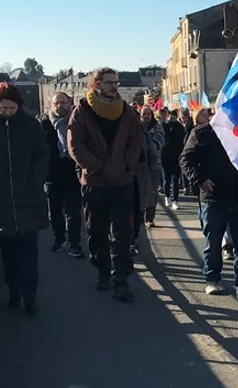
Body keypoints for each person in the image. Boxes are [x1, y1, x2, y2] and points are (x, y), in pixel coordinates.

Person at [0, 82, 49, 315]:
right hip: (0, 201)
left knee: (30, 252)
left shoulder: (31, 125)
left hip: (28, 197)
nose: (7, 112)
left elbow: (42, 154)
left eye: (12, 108)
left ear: (19, 106)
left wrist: (36, 179)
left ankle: (30, 296)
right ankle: (14, 291)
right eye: (3, 108)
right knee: (9, 255)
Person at [68, 67, 143, 302]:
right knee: (96, 232)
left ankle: (121, 280)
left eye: (116, 82)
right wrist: (94, 166)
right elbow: (75, 144)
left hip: (121, 182)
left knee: (122, 234)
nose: (114, 86)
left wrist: (126, 165)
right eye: (109, 82)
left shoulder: (127, 111)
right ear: (96, 84)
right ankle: (102, 270)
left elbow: (136, 141)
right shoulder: (82, 111)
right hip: (95, 182)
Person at [180, 107, 238, 303]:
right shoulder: (202, 133)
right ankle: (212, 279)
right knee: (213, 242)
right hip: (214, 197)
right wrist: (201, 179)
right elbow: (185, 159)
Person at [41, 92, 84, 258]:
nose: (60, 106)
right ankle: (59, 239)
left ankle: (74, 244)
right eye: (57, 103)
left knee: (73, 212)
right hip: (51, 176)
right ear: (52, 105)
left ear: (69, 103)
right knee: (54, 213)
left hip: (72, 175)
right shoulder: (44, 125)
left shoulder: (76, 123)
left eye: (64, 102)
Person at [137, 105, 164, 230]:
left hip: (154, 164)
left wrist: (149, 145)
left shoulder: (156, 126)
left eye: (148, 113)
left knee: (153, 191)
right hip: (140, 165)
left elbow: (161, 140)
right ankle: (139, 216)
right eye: (144, 113)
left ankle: (149, 218)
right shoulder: (137, 127)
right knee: (140, 190)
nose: (146, 116)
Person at [160, 107, 186, 209]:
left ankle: (175, 200)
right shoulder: (163, 126)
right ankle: (167, 197)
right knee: (167, 179)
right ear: (167, 117)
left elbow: (182, 141)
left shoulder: (179, 127)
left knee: (175, 179)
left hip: (176, 156)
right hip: (165, 156)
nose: (172, 120)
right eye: (171, 118)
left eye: (174, 118)